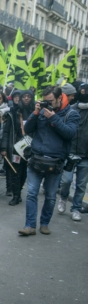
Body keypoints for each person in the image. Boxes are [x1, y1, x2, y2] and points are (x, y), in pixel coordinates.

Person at [19, 86, 79, 236]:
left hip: (56, 161)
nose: (48, 104)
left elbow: (69, 133)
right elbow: (27, 128)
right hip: (36, 158)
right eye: (45, 101)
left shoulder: (72, 114)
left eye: (51, 101)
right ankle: (30, 225)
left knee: (51, 196)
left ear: (60, 98)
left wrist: (53, 117)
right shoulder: (41, 111)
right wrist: (36, 112)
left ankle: (44, 223)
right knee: (32, 193)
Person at [57, 84, 88, 221]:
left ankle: (76, 208)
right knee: (66, 180)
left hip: (85, 154)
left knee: (81, 184)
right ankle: (63, 198)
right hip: (69, 152)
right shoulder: (71, 110)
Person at [0, 90, 23, 205]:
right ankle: (14, 192)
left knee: (22, 172)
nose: (17, 99)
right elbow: (6, 132)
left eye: (19, 96)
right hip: (13, 146)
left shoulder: (30, 112)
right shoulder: (11, 113)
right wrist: (4, 147)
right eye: (15, 97)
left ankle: (18, 191)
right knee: (12, 169)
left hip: (26, 148)